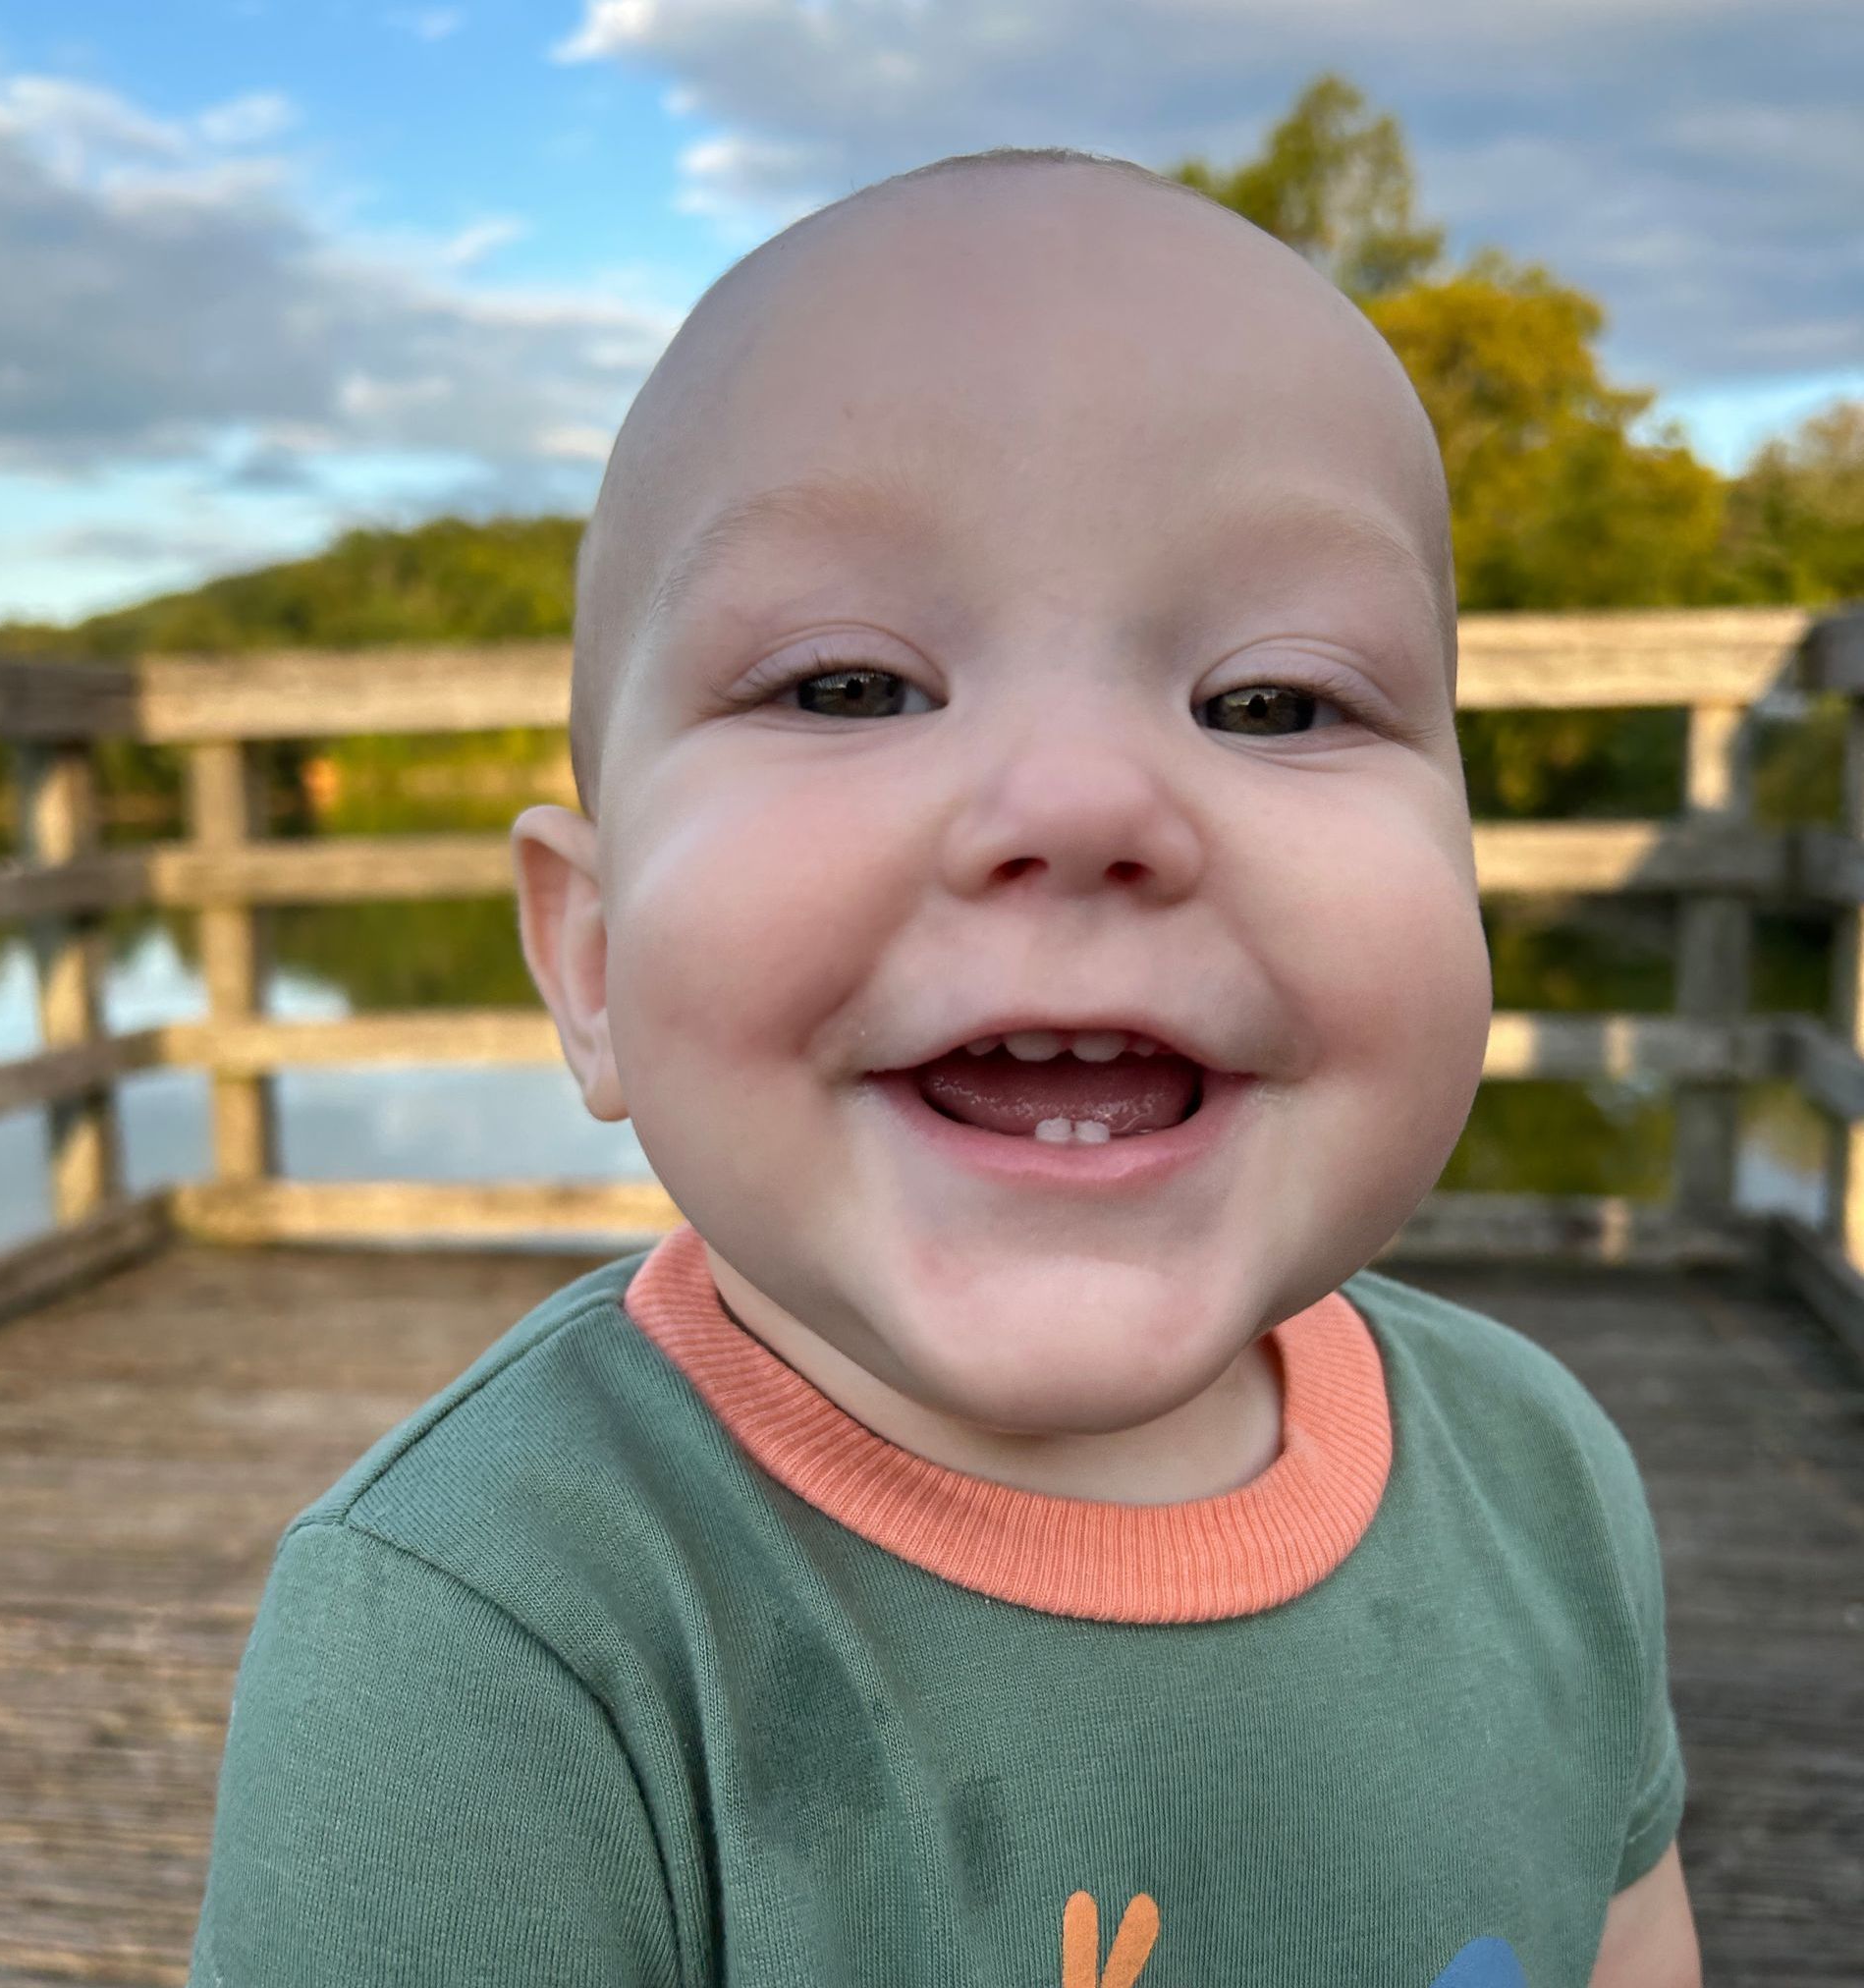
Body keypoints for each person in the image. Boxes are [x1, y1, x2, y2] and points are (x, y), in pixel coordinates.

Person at [186, 146, 1701, 1987]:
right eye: (849, 686)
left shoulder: (1543, 1481)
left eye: (1275, 699)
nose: (1079, 801)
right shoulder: (486, 1644)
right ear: (592, 965)